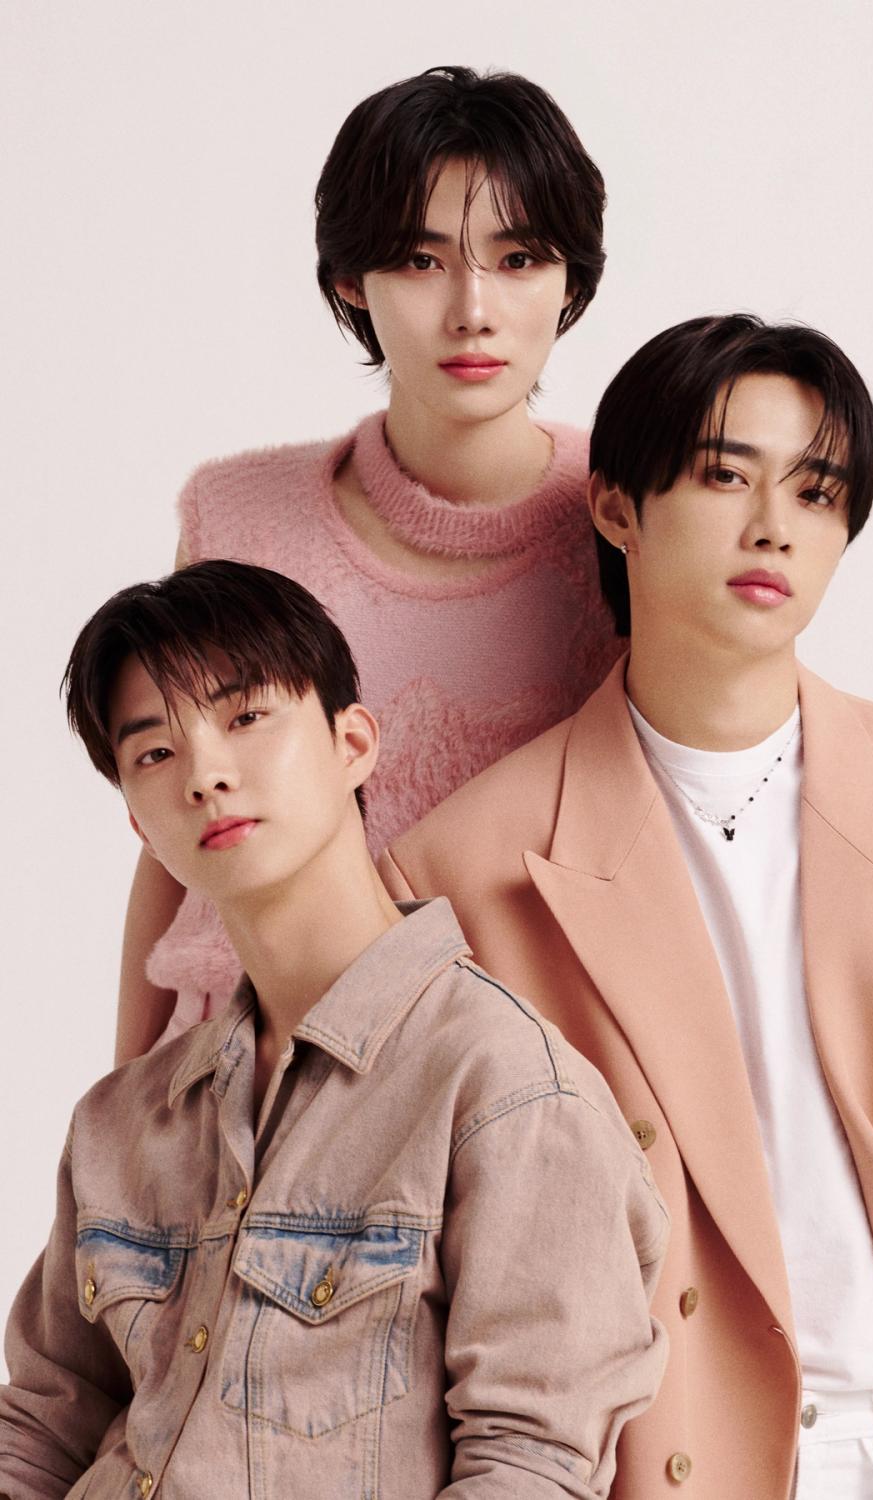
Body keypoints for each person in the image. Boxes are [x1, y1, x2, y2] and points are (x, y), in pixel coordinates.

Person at [380, 315, 873, 1498]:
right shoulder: (457, 872)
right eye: (724, 476)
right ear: (617, 508)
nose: (774, 526)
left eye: (816, 493)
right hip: (679, 1456)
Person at [0, 560, 666, 1499]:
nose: (206, 775)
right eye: (154, 753)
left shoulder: (507, 1090)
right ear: (140, 828)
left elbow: (530, 1466)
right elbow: (40, 1428)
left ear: (352, 743)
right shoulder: (119, 1123)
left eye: (245, 717)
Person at [117, 64, 620, 1063]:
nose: (472, 310)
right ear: (352, 280)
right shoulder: (240, 517)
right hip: (232, 1073)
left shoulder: (627, 521)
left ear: (571, 280)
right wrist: (117, 1108)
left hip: (504, 1088)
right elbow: (173, 851)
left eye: (518, 258)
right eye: (422, 261)